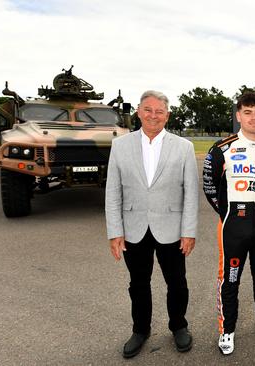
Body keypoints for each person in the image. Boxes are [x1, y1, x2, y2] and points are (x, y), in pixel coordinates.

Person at [105, 90, 199, 358]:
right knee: (138, 284)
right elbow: (113, 192)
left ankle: (179, 326)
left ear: (167, 115)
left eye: (160, 111)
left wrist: (188, 231)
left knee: (177, 283)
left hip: (171, 228)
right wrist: (115, 232)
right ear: (138, 111)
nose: (153, 115)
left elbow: (190, 193)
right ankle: (140, 330)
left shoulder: (184, 147)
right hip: (134, 228)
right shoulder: (120, 146)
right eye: (148, 110)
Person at [202, 92, 255, 355]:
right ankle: (227, 329)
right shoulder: (222, 148)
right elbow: (210, 187)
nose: (253, 117)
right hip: (232, 226)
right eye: (247, 112)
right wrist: (228, 212)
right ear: (238, 115)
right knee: (230, 278)